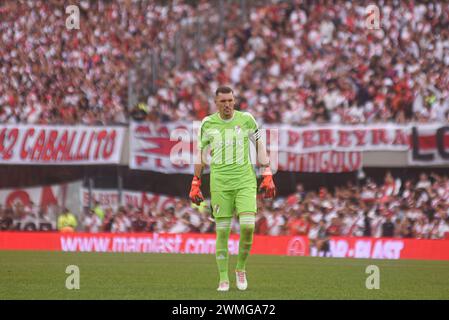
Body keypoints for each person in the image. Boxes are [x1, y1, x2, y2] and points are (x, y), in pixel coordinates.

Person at [189, 86, 276, 292]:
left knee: (248, 227)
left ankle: (241, 268)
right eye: (223, 101)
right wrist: (195, 182)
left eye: (230, 100)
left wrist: (267, 172)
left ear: (234, 101)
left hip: (245, 181)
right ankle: (223, 278)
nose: (227, 104)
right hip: (220, 184)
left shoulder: (246, 119)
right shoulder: (208, 123)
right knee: (222, 232)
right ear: (216, 103)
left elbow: (260, 145)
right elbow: (200, 154)